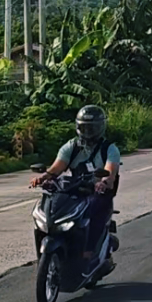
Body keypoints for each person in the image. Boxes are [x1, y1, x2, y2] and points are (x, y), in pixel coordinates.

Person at [30, 104, 120, 266]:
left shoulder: (109, 148)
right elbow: (57, 167)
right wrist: (44, 177)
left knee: (95, 208)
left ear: (100, 128)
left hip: (99, 191)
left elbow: (110, 171)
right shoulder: (71, 146)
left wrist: (104, 182)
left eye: (92, 128)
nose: (88, 132)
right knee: (51, 205)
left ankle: (89, 250)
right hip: (76, 188)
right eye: (84, 128)